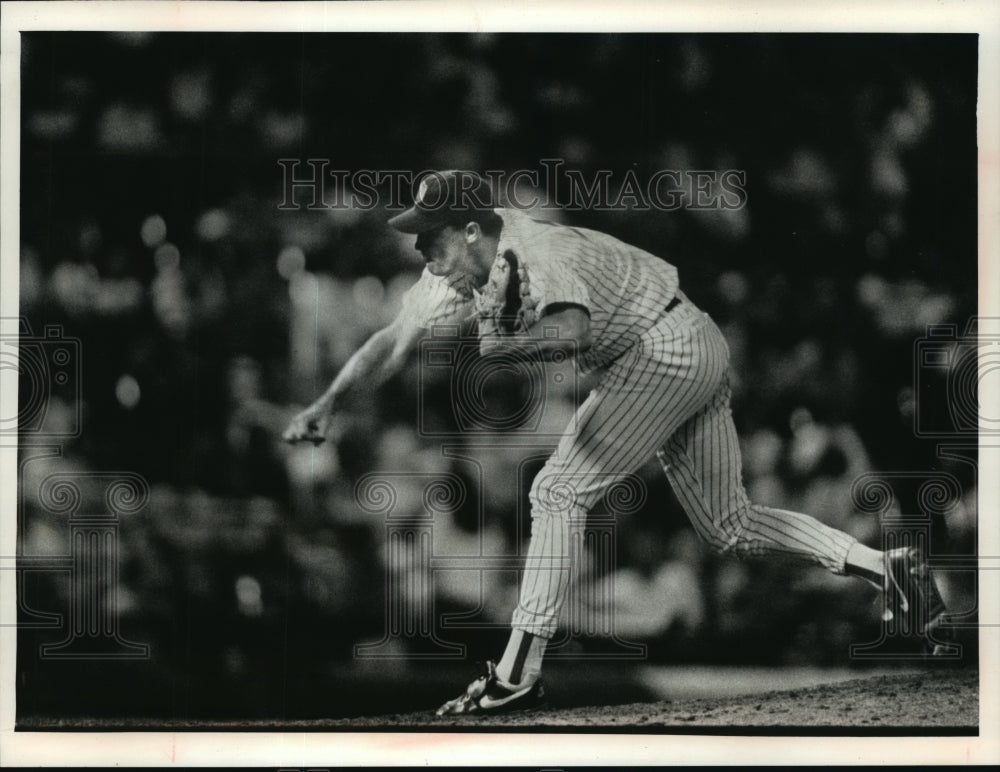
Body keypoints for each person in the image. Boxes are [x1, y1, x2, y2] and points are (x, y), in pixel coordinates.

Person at [283, 170, 952, 716]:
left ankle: (516, 673)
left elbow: (571, 331)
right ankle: (885, 568)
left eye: (430, 240)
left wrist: (505, 348)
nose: (421, 252)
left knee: (556, 488)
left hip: (660, 348)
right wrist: (327, 404)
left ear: (469, 230)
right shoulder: (458, 273)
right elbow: (390, 343)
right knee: (732, 525)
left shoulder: (537, 251)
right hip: (684, 341)